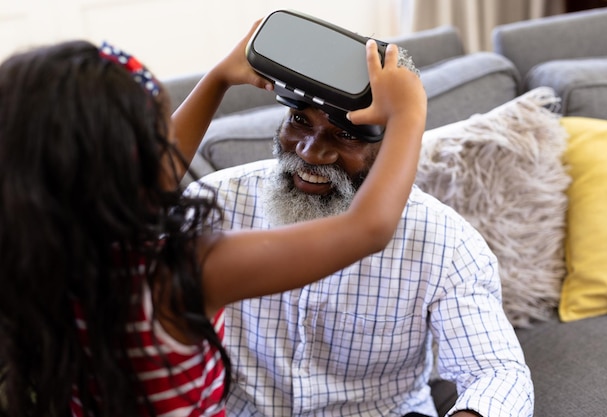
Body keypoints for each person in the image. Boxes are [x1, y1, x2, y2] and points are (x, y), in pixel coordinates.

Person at [0, 20, 426, 417]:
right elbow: (366, 229)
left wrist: (220, 77)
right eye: (154, 135)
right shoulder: (179, 274)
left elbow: (150, 179)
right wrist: (408, 113)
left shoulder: (35, 256)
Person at [194, 40, 534, 417]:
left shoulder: (445, 242)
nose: (309, 151)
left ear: (394, 147)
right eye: (300, 121)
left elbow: (497, 373)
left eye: (346, 134)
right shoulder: (216, 204)